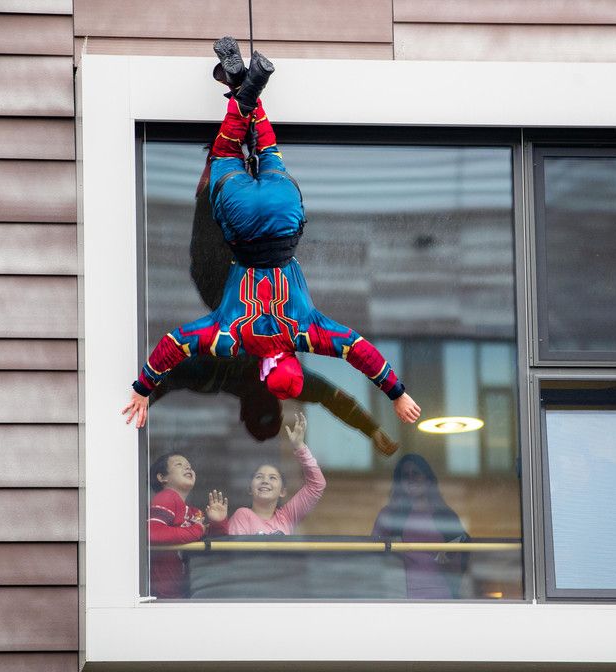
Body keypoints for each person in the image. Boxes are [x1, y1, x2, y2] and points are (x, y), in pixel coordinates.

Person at [122, 37, 421, 430]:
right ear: (263, 371)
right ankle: (241, 87)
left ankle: (246, 86)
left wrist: (397, 393)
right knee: (226, 152)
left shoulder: (310, 333)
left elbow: (358, 350)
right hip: (242, 225)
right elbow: (176, 344)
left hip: (284, 220)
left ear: (294, 359)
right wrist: (143, 387)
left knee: (268, 150)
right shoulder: (230, 339)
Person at [150, 354, 399, 455]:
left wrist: (371, 429)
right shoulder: (211, 377)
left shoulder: (210, 376)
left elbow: (333, 399)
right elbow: (334, 399)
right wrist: (371, 429)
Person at [372, 454, 469, 599]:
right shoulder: (389, 515)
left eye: (416, 473)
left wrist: (446, 558)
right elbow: (374, 555)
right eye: (406, 475)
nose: (411, 479)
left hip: (440, 595)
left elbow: (462, 556)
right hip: (398, 595)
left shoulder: (445, 515)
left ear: (428, 479)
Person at [216, 412, 324, 535]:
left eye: (273, 478)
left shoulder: (287, 517)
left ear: (282, 491)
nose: (265, 481)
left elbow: (317, 485)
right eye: (259, 477)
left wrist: (299, 447)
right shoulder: (242, 515)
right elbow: (238, 549)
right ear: (250, 489)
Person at [147, 452, 228, 598]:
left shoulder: (193, 512)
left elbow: (214, 548)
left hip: (184, 594)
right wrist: (197, 529)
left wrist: (218, 522)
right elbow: (152, 533)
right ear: (162, 477)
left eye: (189, 466)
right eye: (179, 464)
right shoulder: (166, 496)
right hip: (164, 597)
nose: (188, 468)